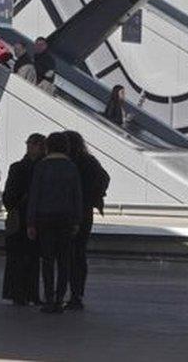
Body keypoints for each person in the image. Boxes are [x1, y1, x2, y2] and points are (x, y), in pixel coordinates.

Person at [27, 132, 82, 314]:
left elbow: (34, 195)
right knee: (64, 260)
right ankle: (60, 299)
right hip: (65, 218)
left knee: (48, 260)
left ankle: (49, 298)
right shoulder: (71, 167)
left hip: (44, 218)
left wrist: (31, 222)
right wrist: (76, 220)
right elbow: (76, 196)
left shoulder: (42, 167)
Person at [63, 131, 110, 311]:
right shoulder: (89, 161)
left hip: (66, 212)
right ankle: (77, 294)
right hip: (84, 212)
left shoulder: (65, 163)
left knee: (64, 253)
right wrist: (93, 197)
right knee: (79, 253)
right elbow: (104, 179)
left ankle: (60, 292)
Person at [2, 133, 45, 306]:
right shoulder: (44, 169)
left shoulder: (17, 168)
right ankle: (31, 293)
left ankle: (17, 292)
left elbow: (8, 197)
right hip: (36, 218)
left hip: (19, 217)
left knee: (17, 257)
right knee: (33, 258)